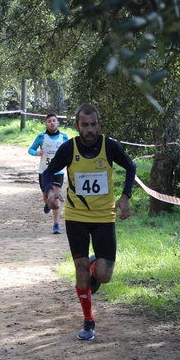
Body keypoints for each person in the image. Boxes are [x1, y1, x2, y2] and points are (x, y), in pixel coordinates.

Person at [42, 103, 136, 341]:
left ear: (99, 124)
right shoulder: (69, 148)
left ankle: (96, 266)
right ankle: (88, 320)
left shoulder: (109, 147)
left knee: (104, 275)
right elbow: (48, 172)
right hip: (76, 217)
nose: (90, 130)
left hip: (104, 217)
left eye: (93, 124)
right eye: (85, 125)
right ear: (77, 126)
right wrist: (50, 191)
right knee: (81, 272)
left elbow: (131, 166)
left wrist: (126, 196)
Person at [28, 113, 69, 234]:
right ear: (46, 124)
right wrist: (37, 153)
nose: (52, 123)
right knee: (46, 197)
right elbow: (30, 150)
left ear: (58, 123)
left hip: (58, 171)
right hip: (44, 172)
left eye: (54, 121)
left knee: (56, 195)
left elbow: (70, 151)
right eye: (49, 121)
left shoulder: (64, 137)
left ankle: (56, 224)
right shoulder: (41, 137)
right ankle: (47, 203)